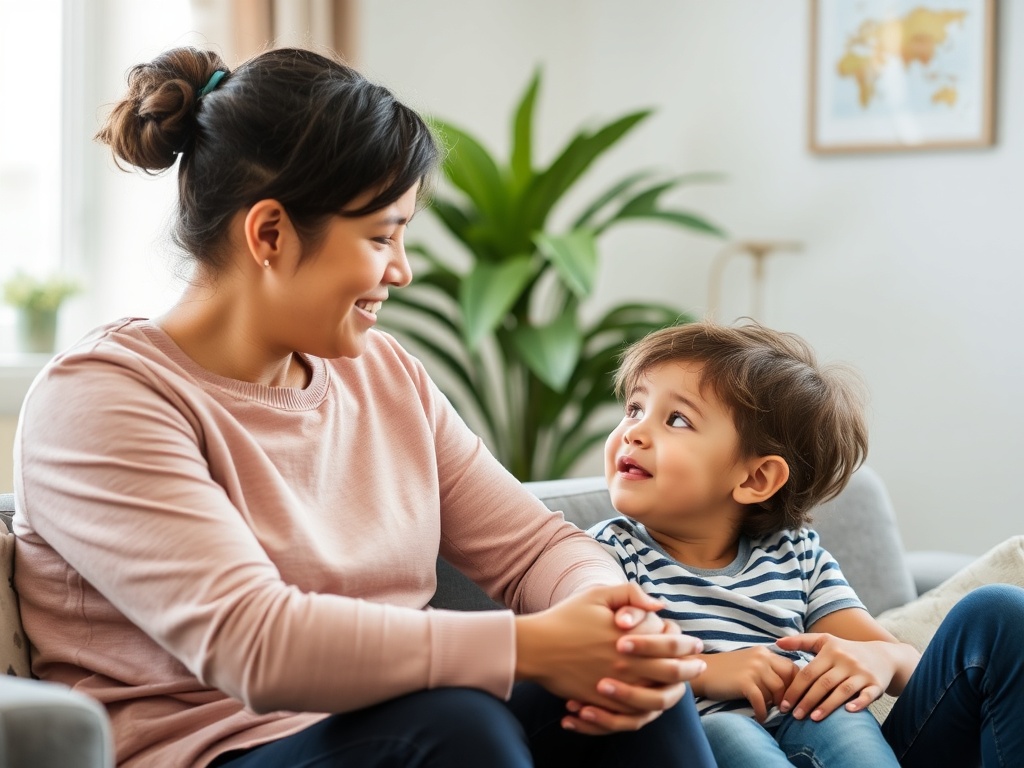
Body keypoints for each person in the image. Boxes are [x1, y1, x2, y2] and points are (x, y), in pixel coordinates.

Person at [11, 47, 717, 768]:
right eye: (382, 236)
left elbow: (539, 547)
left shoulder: (383, 375)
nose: (402, 270)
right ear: (270, 234)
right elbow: (253, 643)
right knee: (455, 725)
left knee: (634, 687)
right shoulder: (100, 400)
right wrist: (530, 645)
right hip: (220, 752)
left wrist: (612, 624)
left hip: (396, 725)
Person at [589, 319, 1024, 767]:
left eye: (676, 419)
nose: (634, 432)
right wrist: (707, 672)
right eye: (634, 408)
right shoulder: (606, 557)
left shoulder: (794, 554)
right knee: (726, 729)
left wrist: (881, 662)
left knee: (999, 612)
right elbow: (587, 668)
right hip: (705, 747)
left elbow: (906, 665)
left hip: (832, 734)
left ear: (756, 478)